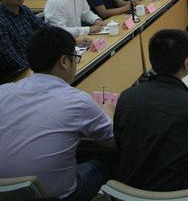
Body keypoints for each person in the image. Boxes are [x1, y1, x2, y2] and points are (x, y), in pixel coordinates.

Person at [113, 29, 188, 201]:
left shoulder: (126, 99)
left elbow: (120, 146)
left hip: (131, 194)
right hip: (185, 196)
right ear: (187, 63)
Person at [0, 27, 115, 201]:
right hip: (58, 197)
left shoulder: (3, 92)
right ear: (64, 61)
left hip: (6, 194)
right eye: (75, 57)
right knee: (111, 159)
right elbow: (114, 138)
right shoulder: (78, 101)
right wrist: (108, 113)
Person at [0, 0, 51, 83]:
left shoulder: (24, 10)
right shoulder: (2, 22)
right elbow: (11, 58)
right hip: (16, 75)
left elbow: (44, 28)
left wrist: (68, 38)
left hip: (35, 66)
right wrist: (35, 72)